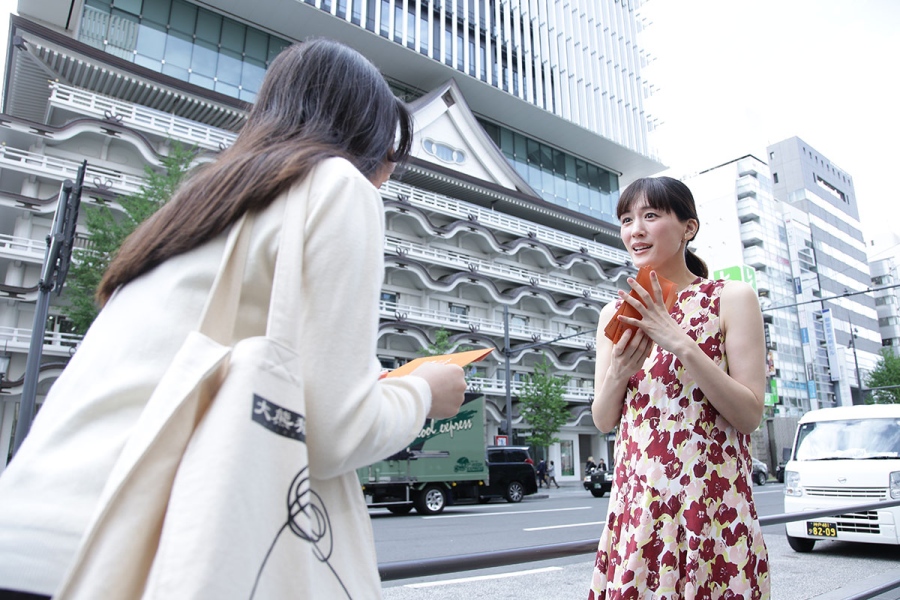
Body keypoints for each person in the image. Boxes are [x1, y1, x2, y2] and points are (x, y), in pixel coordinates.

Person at [0, 39, 468, 599]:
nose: (387, 170)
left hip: (26, 536)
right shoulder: (339, 186)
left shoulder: (197, 207)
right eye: (389, 151)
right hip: (133, 558)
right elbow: (332, 432)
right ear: (361, 135)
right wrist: (422, 392)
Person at [589, 176, 769, 598]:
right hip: (638, 506)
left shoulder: (731, 297)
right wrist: (618, 373)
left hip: (714, 505)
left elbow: (750, 414)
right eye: (627, 219)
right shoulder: (613, 313)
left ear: (689, 227)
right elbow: (602, 420)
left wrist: (679, 343)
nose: (635, 230)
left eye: (651, 216)